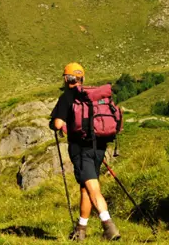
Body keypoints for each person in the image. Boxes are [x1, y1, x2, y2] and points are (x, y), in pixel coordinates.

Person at [50, 63, 120, 242]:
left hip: (81, 150)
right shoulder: (92, 95)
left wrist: (55, 124)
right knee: (86, 188)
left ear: (66, 79)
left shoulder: (68, 96)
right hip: (99, 147)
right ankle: (80, 230)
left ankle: (109, 226)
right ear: (82, 78)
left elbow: (58, 124)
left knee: (93, 189)